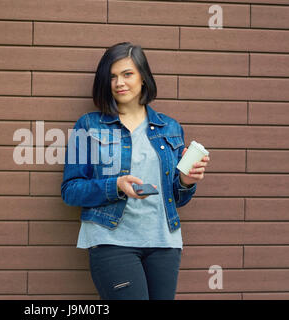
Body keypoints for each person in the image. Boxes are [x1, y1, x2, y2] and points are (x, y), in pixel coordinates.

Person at [60, 42, 210, 300]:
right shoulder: (87, 125)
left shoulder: (170, 128)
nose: (119, 82)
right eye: (112, 76)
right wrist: (115, 185)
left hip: (164, 243)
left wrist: (185, 181)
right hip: (112, 241)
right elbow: (70, 191)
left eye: (127, 74)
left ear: (143, 77)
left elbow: (178, 198)